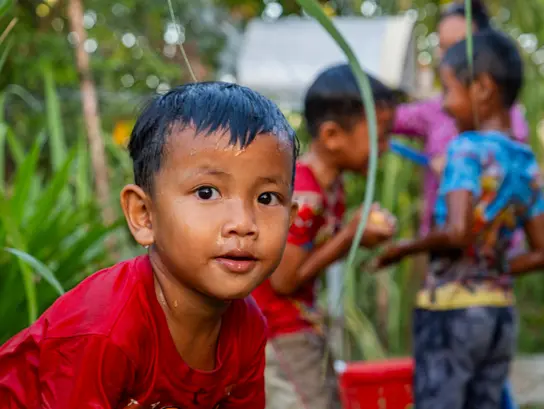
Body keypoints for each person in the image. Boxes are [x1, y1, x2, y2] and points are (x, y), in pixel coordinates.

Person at [0, 82, 300, 409]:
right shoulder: (105, 330)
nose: (243, 223)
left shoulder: (247, 329)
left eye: (267, 198)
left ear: (292, 217)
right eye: (206, 192)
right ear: (144, 215)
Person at [376, 30, 544, 409]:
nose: (446, 106)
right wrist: (492, 267)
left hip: (450, 313)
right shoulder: (526, 161)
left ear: (482, 88)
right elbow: (541, 252)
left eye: (448, 91)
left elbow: (456, 230)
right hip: (499, 314)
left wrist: (405, 248)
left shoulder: (465, 148)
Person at [252, 63, 398, 409]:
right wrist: (350, 235)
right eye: (380, 137)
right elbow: (286, 280)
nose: (387, 148)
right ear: (332, 136)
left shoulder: (333, 189)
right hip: (279, 329)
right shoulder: (303, 194)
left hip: (301, 324)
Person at [393, 0, 529, 237]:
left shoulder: (507, 120)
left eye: (456, 46)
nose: (444, 56)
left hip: (490, 251)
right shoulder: (433, 109)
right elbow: (385, 118)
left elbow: (513, 172)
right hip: (441, 246)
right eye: (441, 46)